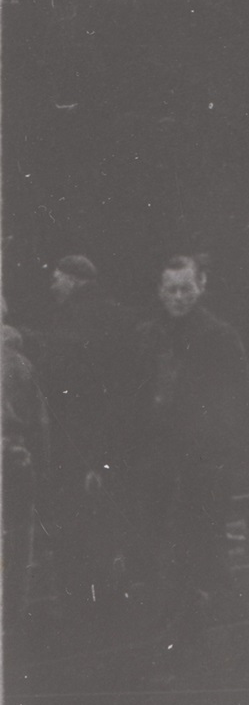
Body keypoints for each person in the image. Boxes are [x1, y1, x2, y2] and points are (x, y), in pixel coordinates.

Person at [131, 255, 249, 642]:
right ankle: (172, 613)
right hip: (156, 453)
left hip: (201, 456)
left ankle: (188, 620)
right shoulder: (149, 334)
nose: (179, 297)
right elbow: (135, 392)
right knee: (157, 536)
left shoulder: (219, 336)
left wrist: (218, 449)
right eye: (171, 289)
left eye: (186, 288)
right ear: (159, 291)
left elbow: (238, 399)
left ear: (201, 287)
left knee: (193, 535)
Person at [36, 254, 139, 623]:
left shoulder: (75, 319)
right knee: (108, 521)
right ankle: (112, 599)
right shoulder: (119, 315)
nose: (52, 285)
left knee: (79, 523)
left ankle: (85, 608)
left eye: (57, 277)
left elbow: (74, 380)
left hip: (79, 441)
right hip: (112, 439)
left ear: (75, 279)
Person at [3, 308, 49, 627]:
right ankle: (12, 619)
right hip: (16, 459)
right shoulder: (21, 364)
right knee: (17, 547)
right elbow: (40, 424)